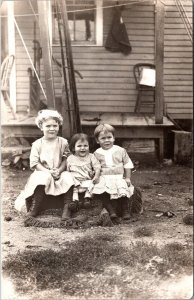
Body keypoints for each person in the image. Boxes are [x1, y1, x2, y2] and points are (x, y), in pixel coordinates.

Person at [15, 109, 75, 221]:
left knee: (68, 177)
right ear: (41, 127)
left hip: (58, 171)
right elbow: (34, 163)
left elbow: (66, 158)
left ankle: (67, 207)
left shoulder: (63, 142)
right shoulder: (37, 144)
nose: (52, 129)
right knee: (43, 177)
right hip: (43, 171)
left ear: (59, 126)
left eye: (55, 125)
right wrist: (48, 172)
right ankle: (36, 207)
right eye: (48, 126)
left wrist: (60, 170)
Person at [92, 123, 134, 220]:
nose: (107, 140)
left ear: (114, 138)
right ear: (97, 140)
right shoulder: (97, 153)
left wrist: (127, 178)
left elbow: (127, 165)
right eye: (103, 138)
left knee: (123, 190)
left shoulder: (120, 150)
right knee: (101, 191)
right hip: (104, 177)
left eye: (109, 137)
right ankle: (111, 211)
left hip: (118, 176)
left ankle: (125, 211)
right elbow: (95, 167)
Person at [66, 133, 101, 211]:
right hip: (75, 181)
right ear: (73, 148)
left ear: (89, 146)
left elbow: (97, 167)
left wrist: (96, 176)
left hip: (86, 179)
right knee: (72, 186)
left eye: (85, 146)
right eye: (79, 146)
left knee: (92, 184)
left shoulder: (91, 156)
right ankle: (75, 201)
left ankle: (87, 199)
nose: (83, 148)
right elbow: (67, 171)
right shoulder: (70, 158)